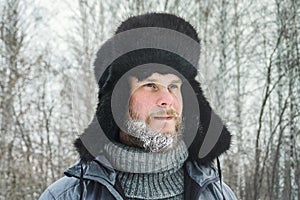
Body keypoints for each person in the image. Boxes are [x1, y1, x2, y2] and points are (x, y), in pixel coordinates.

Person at [39, 13, 237, 200]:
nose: (167, 99)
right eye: (150, 85)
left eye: (173, 86)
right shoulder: (66, 196)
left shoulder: (219, 194)